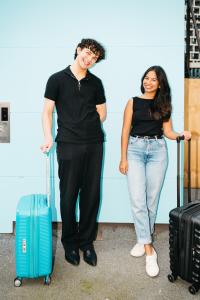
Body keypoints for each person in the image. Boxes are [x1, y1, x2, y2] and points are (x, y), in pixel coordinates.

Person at [119, 66, 191, 277]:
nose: (148, 82)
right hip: (135, 149)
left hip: (158, 151)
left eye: (153, 79)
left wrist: (181, 135)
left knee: (151, 200)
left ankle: (142, 239)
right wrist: (123, 158)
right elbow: (125, 131)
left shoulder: (164, 105)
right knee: (138, 200)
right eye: (146, 78)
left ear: (160, 84)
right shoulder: (133, 102)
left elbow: (167, 132)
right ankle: (149, 250)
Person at [41, 38, 107, 267]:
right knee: (68, 195)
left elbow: (103, 113)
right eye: (87, 53)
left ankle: (86, 243)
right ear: (79, 50)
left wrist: (86, 123)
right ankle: (69, 243)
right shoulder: (56, 79)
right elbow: (47, 112)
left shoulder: (96, 83)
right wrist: (48, 136)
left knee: (91, 195)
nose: (89, 59)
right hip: (68, 144)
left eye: (94, 57)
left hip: (94, 144)